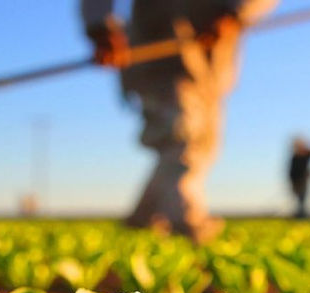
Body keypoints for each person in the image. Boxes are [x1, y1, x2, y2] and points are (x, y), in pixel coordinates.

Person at [80, 0, 278, 241]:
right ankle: (188, 222)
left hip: (210, 61)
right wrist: (100, 26)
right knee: (184, 141)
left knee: (203, 147)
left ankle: (142, 220)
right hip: (159, 51)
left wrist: (236, 13)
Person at [288, 136, 310, 218]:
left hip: (304, 181)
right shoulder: (295, 157)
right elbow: (292, 173)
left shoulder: (308, 153)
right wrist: (294, 184)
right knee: (300, 199)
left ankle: (302, 216)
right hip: (296, 182)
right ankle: (300, 215)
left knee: (303, 199)